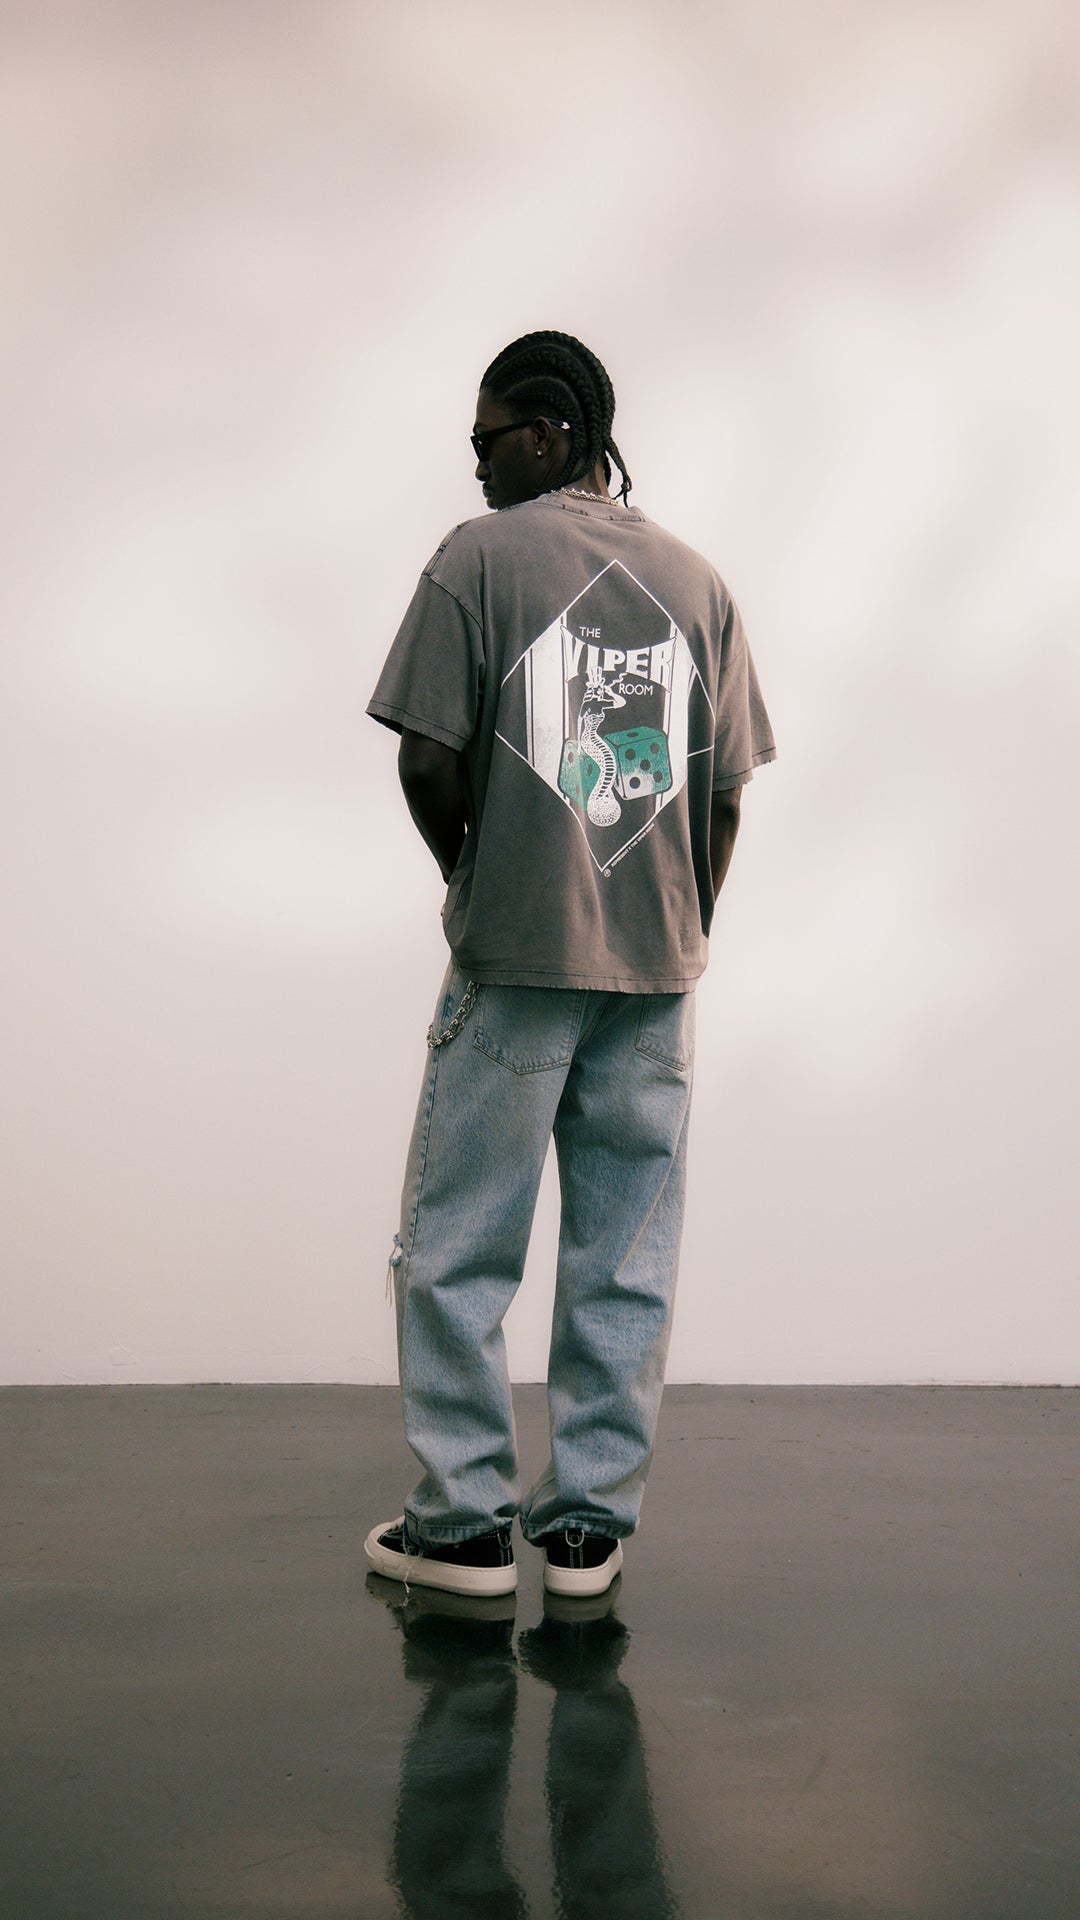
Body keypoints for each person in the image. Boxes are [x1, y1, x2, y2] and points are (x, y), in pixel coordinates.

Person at [364, 330, 775, 1600]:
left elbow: (425, 759)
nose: (477, 464)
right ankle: (589, 1530)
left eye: (489, 439)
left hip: (518, 959)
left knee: (458, 1244)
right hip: (655, 975)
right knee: (625, 1253)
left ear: (548, 433)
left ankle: (465, 1526)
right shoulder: (697, 583)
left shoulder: (478, 559)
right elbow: (724, 798)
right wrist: (678, 918)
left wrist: (474, 876)